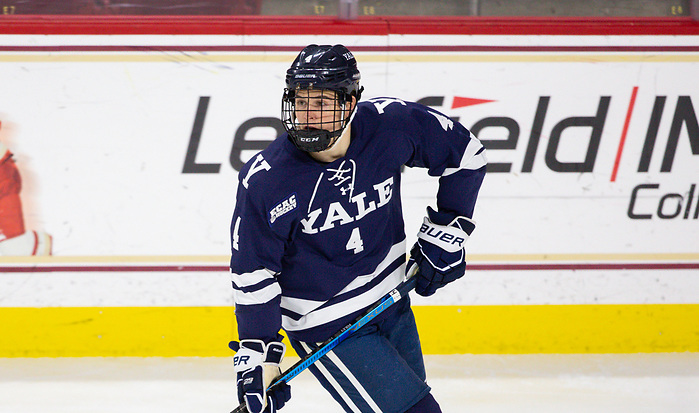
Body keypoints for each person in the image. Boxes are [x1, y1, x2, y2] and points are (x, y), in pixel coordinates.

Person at [229, 44, 486, 413]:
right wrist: (259, 355)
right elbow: (254, 274)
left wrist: (447, 231)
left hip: (393, 301)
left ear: (350, 103)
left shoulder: (390, 125)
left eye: (321, 105)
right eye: (301, 103)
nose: (308, 117)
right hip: (327, 324)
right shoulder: (267, 179)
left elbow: (466, 155)